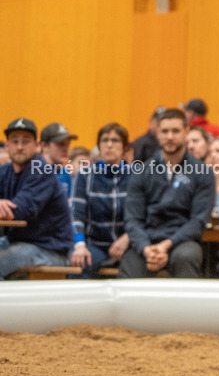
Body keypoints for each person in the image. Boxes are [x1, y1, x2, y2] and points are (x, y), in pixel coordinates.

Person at [119, 109, 215, 278]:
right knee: (130, 261)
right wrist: (146, 248)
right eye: (165, 131)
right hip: (147, 240)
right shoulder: (142, 171)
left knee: (187, 257)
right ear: (157, 133)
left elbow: (198, 221)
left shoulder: (202, 172)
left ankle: (187, 306)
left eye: (175, 131)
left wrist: (166, 245)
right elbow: (133, 218)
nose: (170, 136)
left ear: (186, 132)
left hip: (182, 242)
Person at [0, 119, 75, 279]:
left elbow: (21, 210)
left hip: (49, 251)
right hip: (16, 244)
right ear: (7, 146)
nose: (20, 146)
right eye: (15, 141)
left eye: (25, 141)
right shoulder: (5, 172)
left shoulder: (42, 170)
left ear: (37, 145)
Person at [69, 123, 132, 278]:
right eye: (105, 140)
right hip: (94, 244)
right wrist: (80, 245)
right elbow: (76, 215)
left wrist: (128, 237)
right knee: (80, 260)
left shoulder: (136, 175)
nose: (109, 145)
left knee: (138, 265)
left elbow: (143, 215)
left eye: (115, 140)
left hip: (128, 244)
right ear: (99, 146)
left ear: (124, 147)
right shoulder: (85, 174)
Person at [39, 122, 77, 200]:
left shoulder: (66, 173)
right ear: (44, 146)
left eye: (68, 144)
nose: (66, 149)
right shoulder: (34, 172)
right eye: (60, 144)